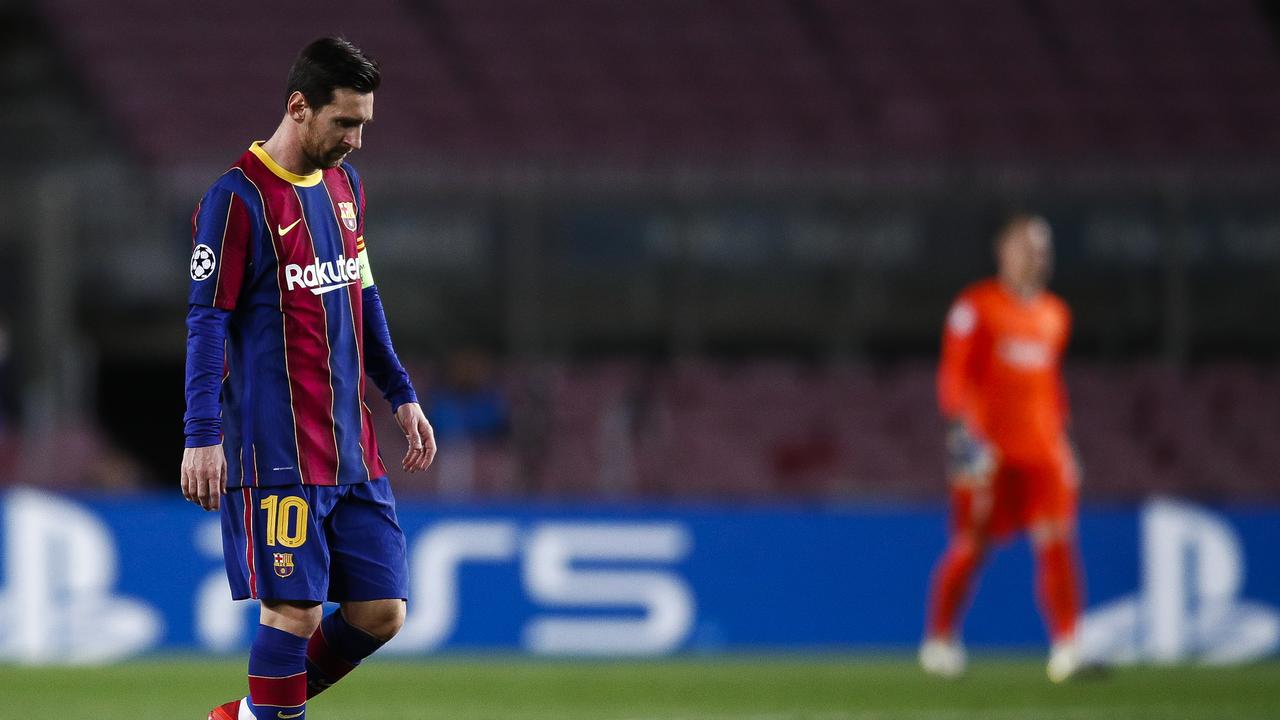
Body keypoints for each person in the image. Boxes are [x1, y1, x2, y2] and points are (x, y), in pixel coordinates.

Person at [180, 37, 436, 720]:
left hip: (353, 451)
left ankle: (252, 716)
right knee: (291, 611)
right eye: (345, 123)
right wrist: (201, 435)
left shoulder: (347, 188)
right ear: (299, 107)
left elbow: (364, 295)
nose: (356, 139)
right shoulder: (235, 201)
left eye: (363, 124)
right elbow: (205, 324)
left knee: (381, 613)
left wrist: (400, 391)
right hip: (279, 456)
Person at [920, 215, 1085, 683]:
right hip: (987, 451)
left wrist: (1066, 442)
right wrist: (960, 435)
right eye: (1028, 247)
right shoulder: (975, 307)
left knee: (1057, 544)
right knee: (971, 546)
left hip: (1043, 451)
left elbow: (1051, 386)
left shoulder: (1056, 314)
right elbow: (954, 376)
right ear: (1004, 252)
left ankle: (1067, 646)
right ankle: (940, 638)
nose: (1037, 257)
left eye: (1043, 249)